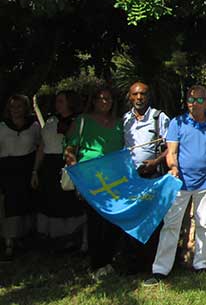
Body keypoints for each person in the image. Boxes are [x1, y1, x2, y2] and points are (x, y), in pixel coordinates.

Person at [145, 85, 206, 285]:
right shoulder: (177, 123)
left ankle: (201, 265)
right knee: (171, 225)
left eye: (198, 100)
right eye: (190, 99)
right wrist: (173, 168)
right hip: (180, 183)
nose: (194, 104)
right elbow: (171, 151)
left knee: (204, 224)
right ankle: (161, 270)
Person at [64, 87, 125, 280]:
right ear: (94, 101)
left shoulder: (119, 124)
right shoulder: (83, 121)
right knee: (96, 222)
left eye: (108, 98)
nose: (104, 102)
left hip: (115, 180)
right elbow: (70, 150)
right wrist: (79, 179)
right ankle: (97, 263)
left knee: (113, 221)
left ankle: (109, 260)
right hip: (91, 179)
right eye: (100, 98)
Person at [121, 82, 170, 273]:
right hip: (132, 179)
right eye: (135, 95)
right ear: (129, 97)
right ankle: (133, 263)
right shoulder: (125, 120)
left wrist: (155, 162)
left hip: (153, 176)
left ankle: (152, 262)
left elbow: (170, 147)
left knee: (153, 221)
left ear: (148, 96)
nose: (139, 98)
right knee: (133, 219)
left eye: (142, 94)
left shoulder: (159, 117)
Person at [34, 91, 84, 252]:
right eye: (57, 101)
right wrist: (35, 170)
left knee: (68, 202)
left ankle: (71, 238)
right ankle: (51, 238)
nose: (58, 104)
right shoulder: (50, 121)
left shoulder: (78, 121)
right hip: (49, 164)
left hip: (67, 162)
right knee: (50, 200)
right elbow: (42, 146)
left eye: (61, 101)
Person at [0, 94, 41, 261]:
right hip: (7, 169)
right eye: (13, 107)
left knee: (27, 204)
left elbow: (39, 146)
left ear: (25, 108)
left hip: (27, 168)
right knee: (9, 206)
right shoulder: (2, 126)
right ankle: (9, 243)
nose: (16, 110)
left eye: (19, 106)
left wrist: (35, 171)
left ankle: (24, 239)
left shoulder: (33, 126)